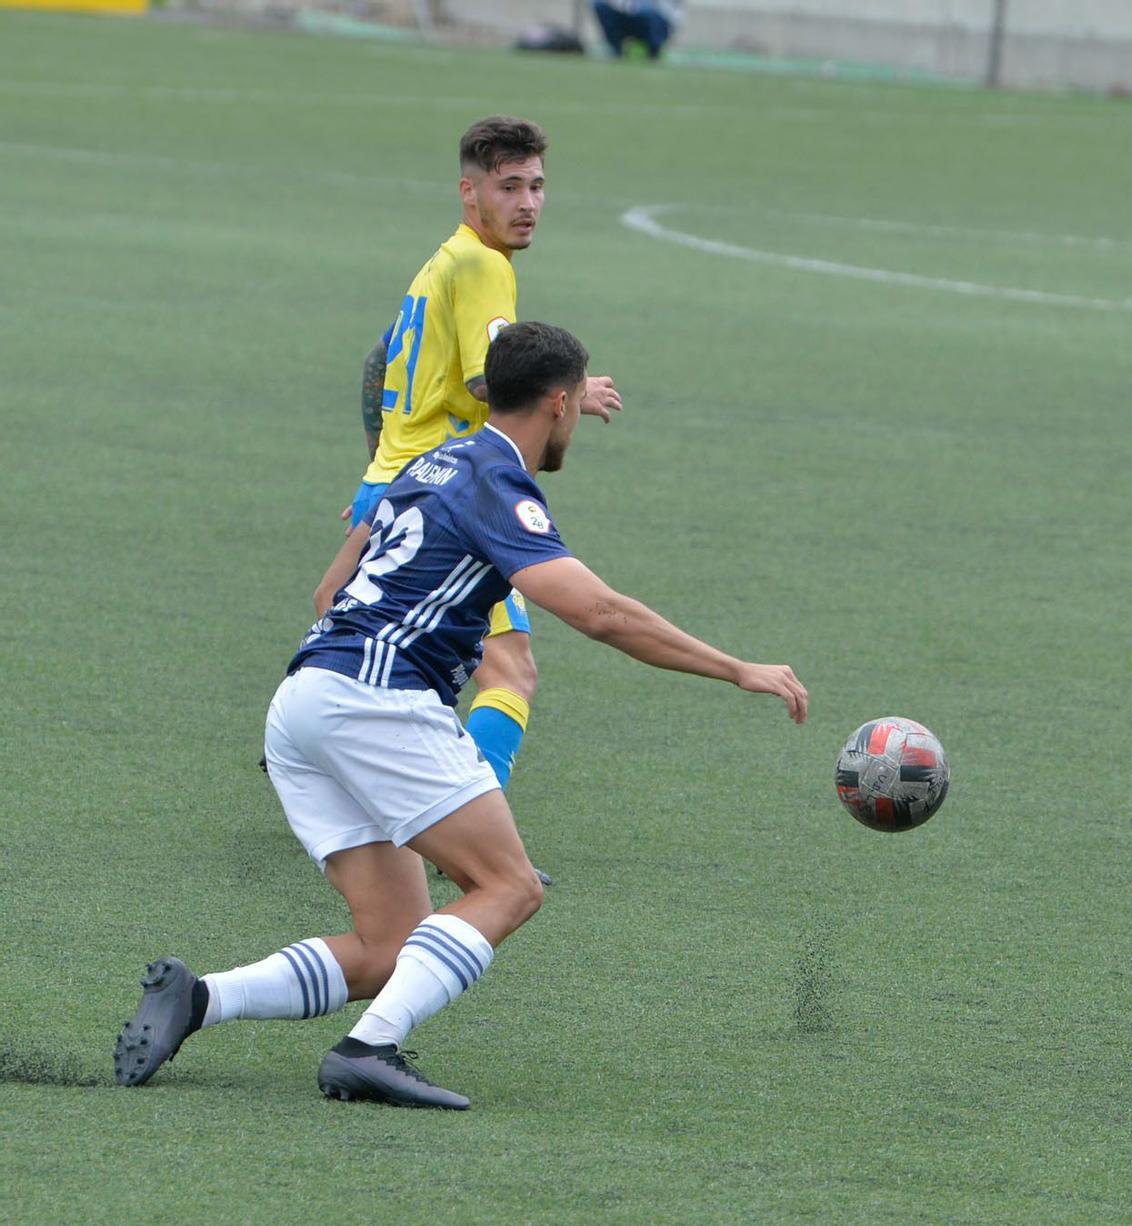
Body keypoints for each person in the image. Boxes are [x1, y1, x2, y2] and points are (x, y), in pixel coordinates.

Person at [115, 322, 808, 1108]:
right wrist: (736, 667)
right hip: (374, 703)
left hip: (304, 700)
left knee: (388, 945)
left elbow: (328, 593)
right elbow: (603, 613)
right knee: (509, 886)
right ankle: (369, 1047)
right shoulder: (497, 484)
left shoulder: (427, 462)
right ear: (558, 402)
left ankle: (198, 998)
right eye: (578, 402)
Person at [353, 116, 622, 799]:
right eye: (509, 187)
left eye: (536, 186)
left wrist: (378, 471)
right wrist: (567, 388)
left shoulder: (442, 259)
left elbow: (380, 360)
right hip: (448, 498)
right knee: (510, 672)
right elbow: (488, 379)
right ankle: (467, 820)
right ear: (468, 192)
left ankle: (339, 754)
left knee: (389, 647)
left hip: (398, 482)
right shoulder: (482, 265)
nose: (527, 203)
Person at [593, 0, 681, 61]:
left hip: (659, 19)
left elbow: (673, 15)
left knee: (648, 11)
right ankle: (616, 49)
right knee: (600, 5)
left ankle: (654, 51)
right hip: (631, 15)